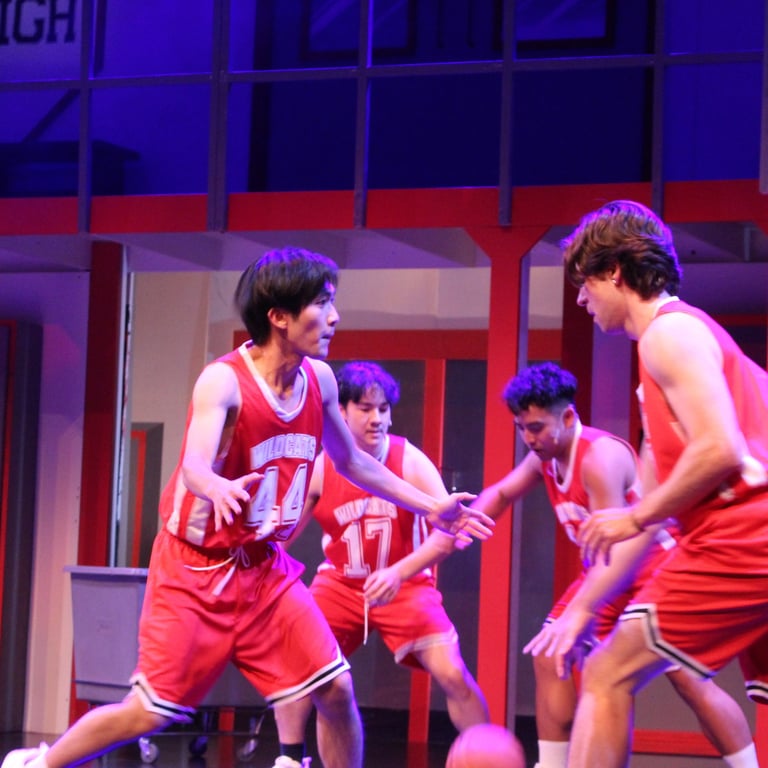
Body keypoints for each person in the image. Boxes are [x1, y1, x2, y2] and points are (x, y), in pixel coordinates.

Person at [1, 248, 493, 768]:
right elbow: (194, 463)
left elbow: (352, 462)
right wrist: (214, 486)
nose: (334, 317)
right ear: (279, 316)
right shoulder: (224, 381)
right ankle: (40, 764)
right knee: (149, 712)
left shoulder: (321, 381)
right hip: (194, 571)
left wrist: (432, 506)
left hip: (263, 571)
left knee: (336, 689)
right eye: (322, 303)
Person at [535, 199, 768, 768]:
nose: (581, 299)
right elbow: (644, 516)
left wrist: (635, 516)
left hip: (744, 536)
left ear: (615, 271)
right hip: (742, 538)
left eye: (586, 283)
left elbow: (720, 448)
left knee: (609, 674)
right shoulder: (669, 362)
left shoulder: (670, 333)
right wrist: (584, 607)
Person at [471, 361, 759, 768]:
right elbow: (501, 494)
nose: (528, 438)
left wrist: (583, 608)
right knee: (550, 653)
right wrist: (462, 523)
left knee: (685, 677)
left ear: (567, 417)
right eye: (521, 428)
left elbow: (619, 548)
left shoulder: (599, 458)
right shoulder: (544, 457)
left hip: (648, 562)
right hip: (605, 570)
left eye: (535, 427)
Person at [273, 361, 489, 762]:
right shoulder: (321, 467)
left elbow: (447, 534)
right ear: (341, 412)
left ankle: (489, 758)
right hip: (340, 585)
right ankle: (289, 756)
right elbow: (281, 537)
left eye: (384, 409)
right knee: (308, 671)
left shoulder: (410, 461)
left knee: (452, 673)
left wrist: (398, 572)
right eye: (366, 409)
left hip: (406, 584)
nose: (377, 419)